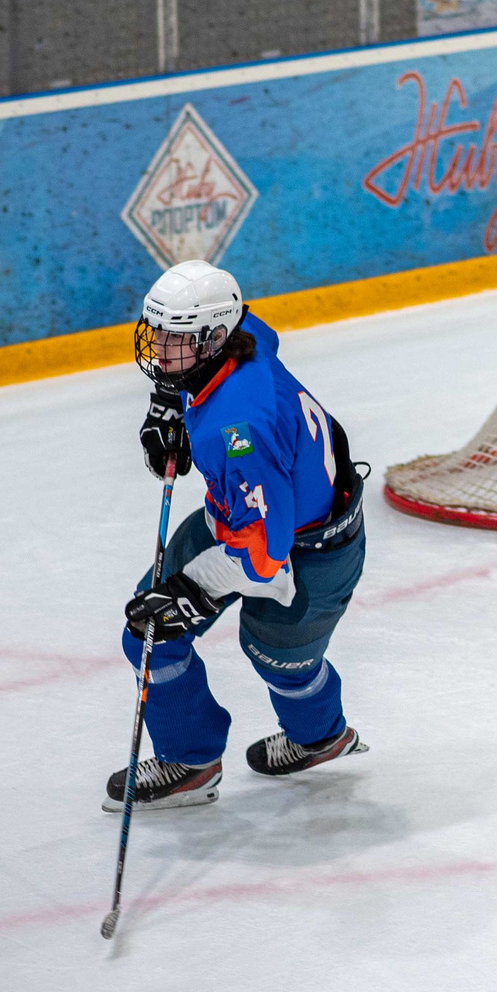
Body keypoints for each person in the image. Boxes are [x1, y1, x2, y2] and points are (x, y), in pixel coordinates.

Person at [110, 261, 367, 810]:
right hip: (245, 518)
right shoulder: (241, 338)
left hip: (308, 550)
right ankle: (190, 761)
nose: (159, 350)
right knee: (152, 631)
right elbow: (255, 333)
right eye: (157, 333)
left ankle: (320, 738)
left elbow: (265, 554)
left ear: (213, 339)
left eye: (175, 340)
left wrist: (192, 588)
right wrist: (169, 401)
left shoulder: (240, 430)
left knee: (278, 660)